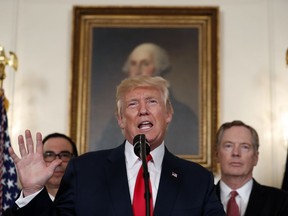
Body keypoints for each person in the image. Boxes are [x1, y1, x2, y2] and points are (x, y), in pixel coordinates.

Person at [8, 75, 224, 215]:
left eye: (152, 101)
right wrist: (33, 191)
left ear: (168, 114)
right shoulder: (85, 170)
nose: (143, 110)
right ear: (120, 119)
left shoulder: (198, 179)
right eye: (132, 104)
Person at [97, 43, 199, 155]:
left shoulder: (183, 114)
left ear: (159, 68)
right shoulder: (120, 117)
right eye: (133, 64)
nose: (138, 70)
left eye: (145, 63)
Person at [215, 120, 288, 216]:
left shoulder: (282, 201)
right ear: (217, 155)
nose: (236, 153)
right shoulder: (199, 199)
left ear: (256, 158)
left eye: (245, 147)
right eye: (228, 146)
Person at [3, 132, 78, 215]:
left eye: (64, 155)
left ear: (76, 160)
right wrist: (32, 190)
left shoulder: (89, 204)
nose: (57, 162)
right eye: (49, 155)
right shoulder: (13, 213)